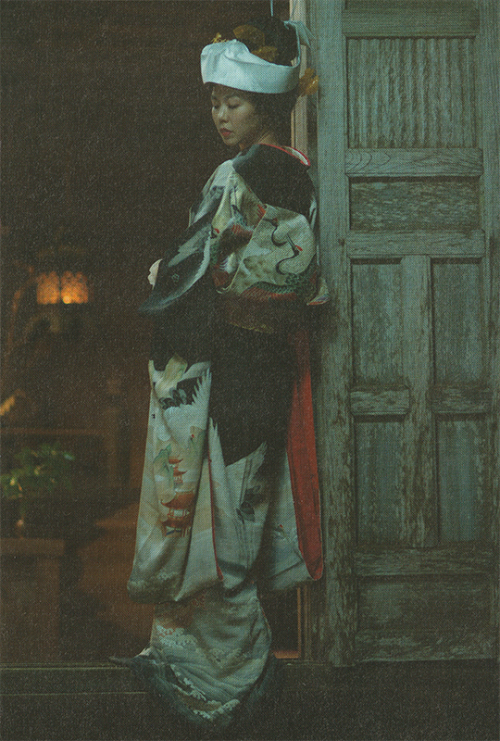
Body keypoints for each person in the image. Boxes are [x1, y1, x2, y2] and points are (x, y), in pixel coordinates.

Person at [112, 15, 328, 730]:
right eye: (213, 102)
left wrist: (168, 275)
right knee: (232, 514)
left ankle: (229, 676)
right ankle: (191, 657)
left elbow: (214, 269)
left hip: (234, 367)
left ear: (265, 104)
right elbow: (236, 267)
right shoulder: (277, 175)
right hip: (248, 362)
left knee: (225, 522)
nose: (220, 115)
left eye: (232, 102)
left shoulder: (251, 175)